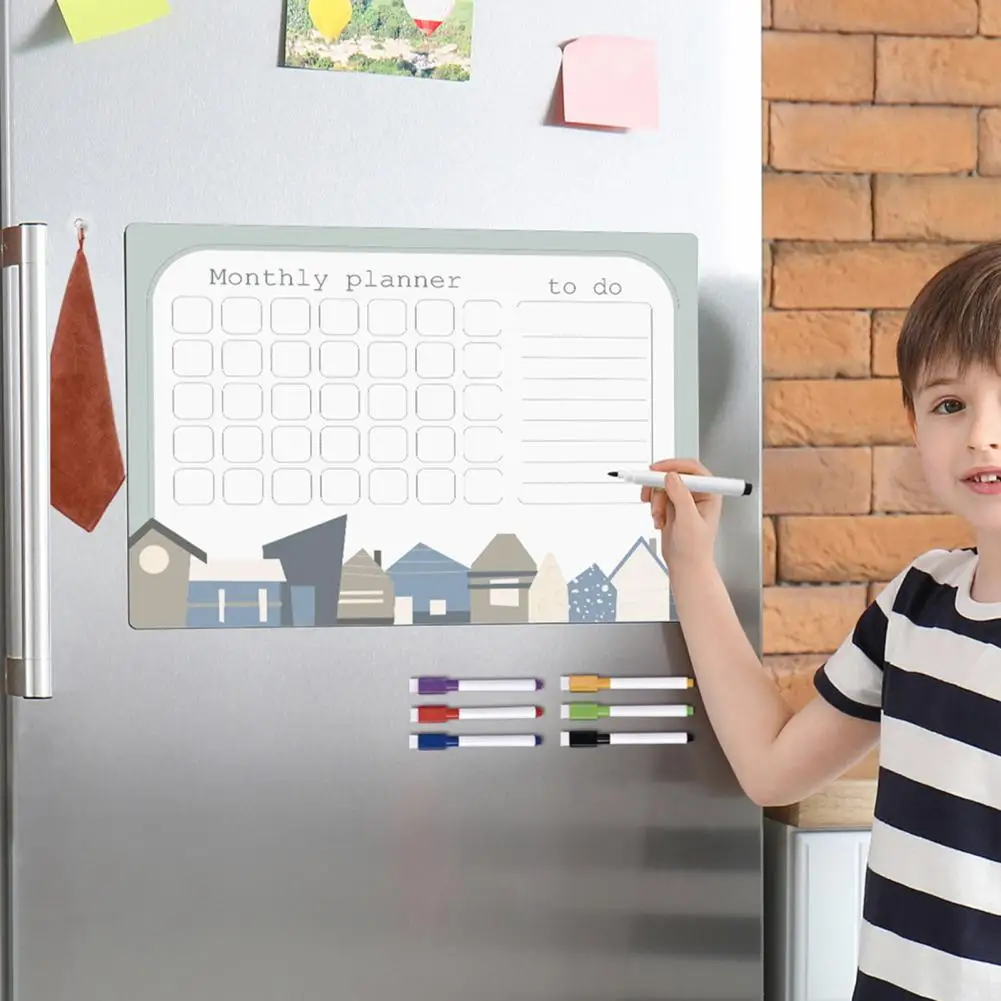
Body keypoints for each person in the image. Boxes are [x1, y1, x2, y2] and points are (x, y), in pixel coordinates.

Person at [645, 242, 1001, 1001]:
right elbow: (771, 765)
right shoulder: (914, 603)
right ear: (913, 423)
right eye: (949, 404)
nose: (979, 434)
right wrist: (693, 566)